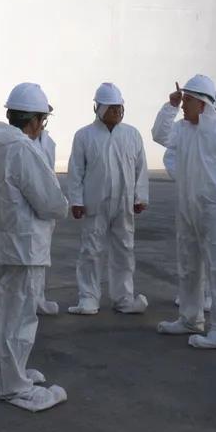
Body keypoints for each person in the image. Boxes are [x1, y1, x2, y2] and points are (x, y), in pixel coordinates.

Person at [0, 83, 70, 412]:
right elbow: (50, 202)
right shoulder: (23, 151)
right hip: (24, 247)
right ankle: (15, 386)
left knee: (3, 316)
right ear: (32, 120)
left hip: (1, 243)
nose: (41, 127)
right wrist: (62, 206)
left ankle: (2, 374)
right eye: (42, 120)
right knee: (19, 319)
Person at [152, 74, 216, 349]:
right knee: (188, 265)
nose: (183, 106)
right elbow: (159, 135)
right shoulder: (182, 130)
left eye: (187, 101)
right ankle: (190, 318)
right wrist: (170, 106)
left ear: (202, 104)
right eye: (183, 100)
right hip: (188, 209)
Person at [66, 82, 149, 315]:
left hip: (124, 204)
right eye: (112, 108)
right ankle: (88, 298)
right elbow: (76, 170)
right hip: (95, 203)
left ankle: (124, 298)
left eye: (119, 107)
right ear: (99, 108)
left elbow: (141, 168)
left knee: (124, 250)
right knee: (91, 251)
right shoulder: (84, 136)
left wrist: (140, 197)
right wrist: (76, 200)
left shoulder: (132, 134)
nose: (117, 112)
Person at [35, 124, 61, 316]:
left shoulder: (47, 141)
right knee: (25, 261)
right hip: (26, 210)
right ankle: (29, 300)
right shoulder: (18, 145)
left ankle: (38, 298)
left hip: (44, 209)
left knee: (40, 257)